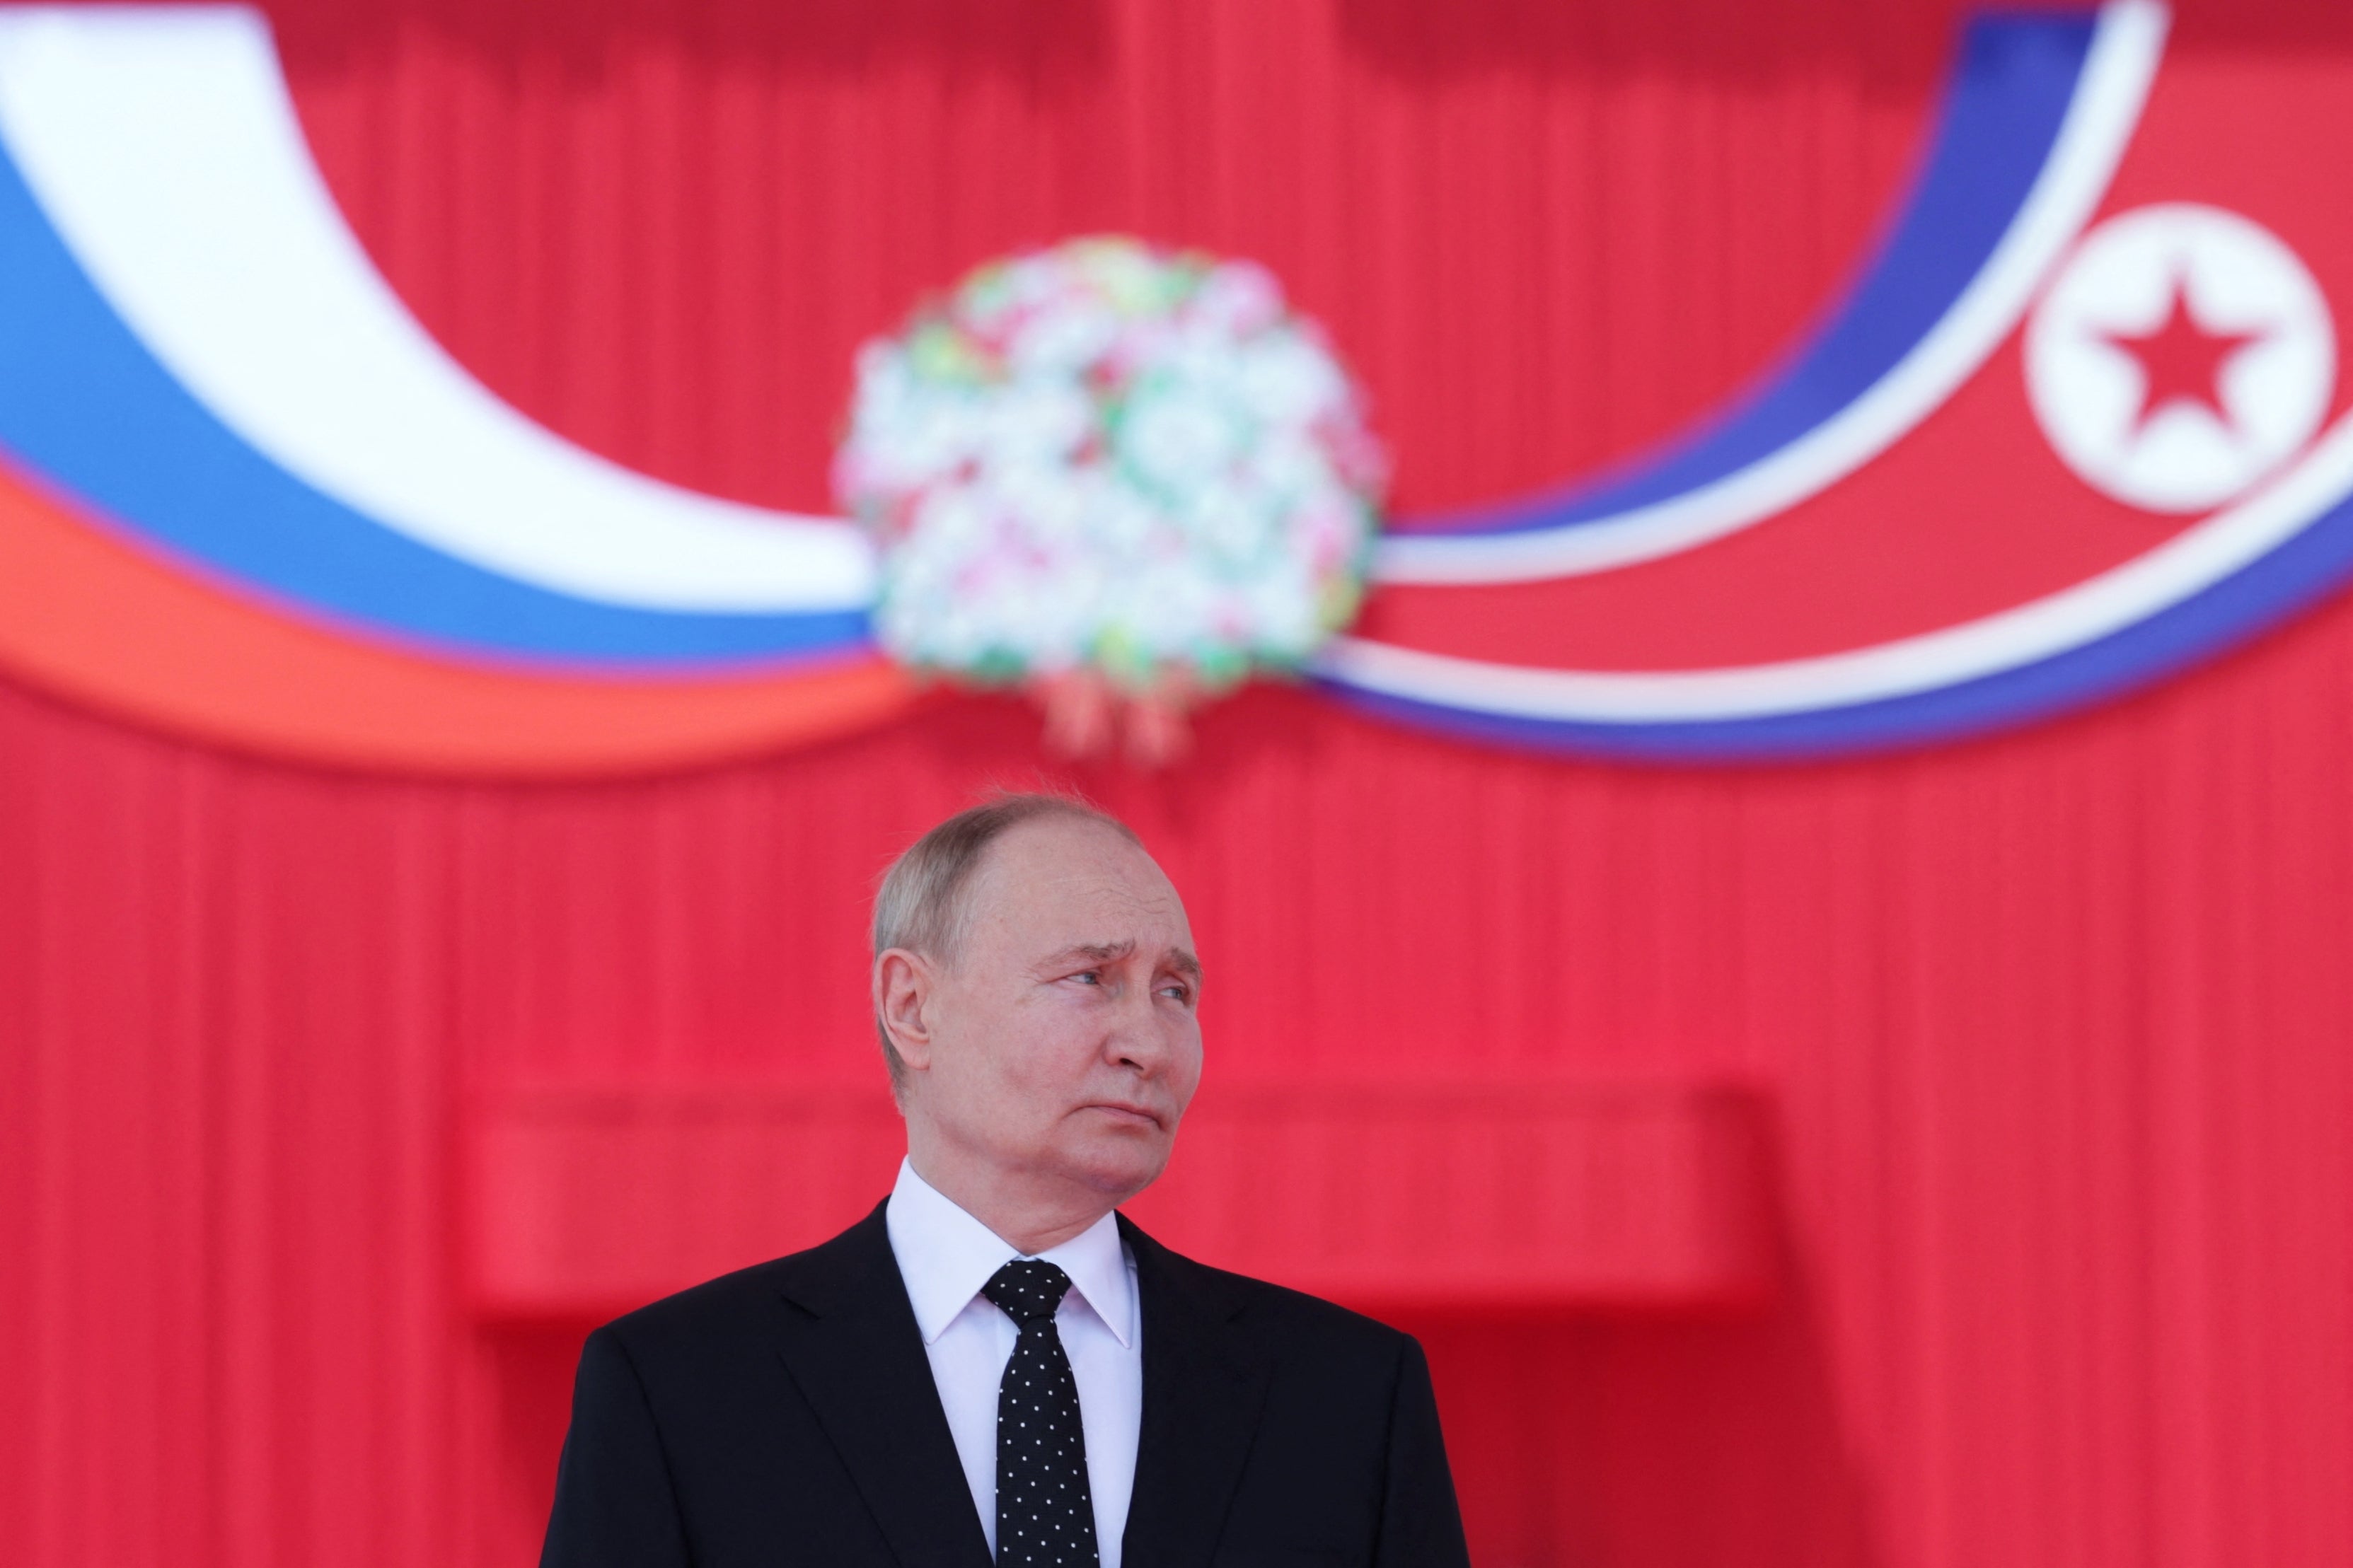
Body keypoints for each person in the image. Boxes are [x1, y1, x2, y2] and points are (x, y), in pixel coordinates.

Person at [540, 792, 1471, 1568]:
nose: (1145, 1043)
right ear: (912, 1006)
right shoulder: (681, 1389)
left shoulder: (1348, 1394)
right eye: (1089, 978)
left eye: (1173, 991)